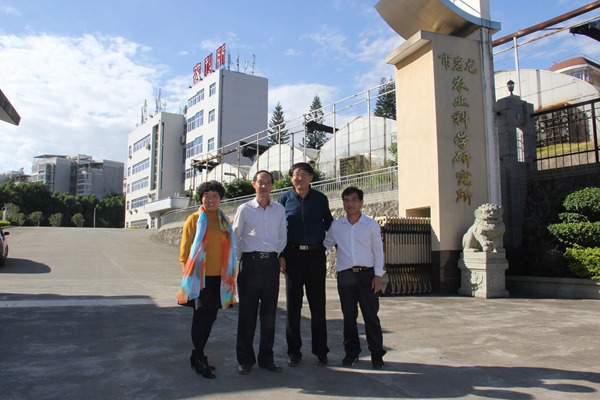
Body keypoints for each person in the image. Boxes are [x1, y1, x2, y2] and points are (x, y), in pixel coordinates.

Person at [177, 181, 237, 379]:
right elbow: (185, 251)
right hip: (199, 279)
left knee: (211, 317)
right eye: (207, 196)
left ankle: (196, 355)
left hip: (220, 279)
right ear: (201, 198)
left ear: (220, 199)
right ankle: (201, 358)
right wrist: (189, 277)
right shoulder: (194, 219)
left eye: (215, 196)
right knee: (200, 317)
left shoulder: (224, 220)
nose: (211, 200)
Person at [323, 186, 386, 369]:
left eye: (354, 200)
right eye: (347, 200)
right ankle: (351, 353)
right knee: (349, 317)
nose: (350, 204)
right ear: (343, 203)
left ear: (361, 203)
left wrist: (378, 276)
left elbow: (378, 252)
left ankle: (377, 354)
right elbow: (325, 244)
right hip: (346, 277)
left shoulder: (371, 225)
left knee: (371, 316)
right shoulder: (336, 226)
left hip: (367, 276)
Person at [278, 162, 333, 367]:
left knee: (318, 305)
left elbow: (330, 224)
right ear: (291, 178)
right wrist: (280, 254)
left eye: (303, 174)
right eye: (295, 174)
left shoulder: (320, 199)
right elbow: (278, 229)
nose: (299, 178)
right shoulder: (284, 199)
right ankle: (294, 351)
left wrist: (326, 245)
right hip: (292, 256)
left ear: (311, 177)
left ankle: (321, 351)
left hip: (315, 256)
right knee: (293, 306)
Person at [233, 170, 287, 375]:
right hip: (250, 264)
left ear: (272, 186)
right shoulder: (245, 209)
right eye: (260, 182)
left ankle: (267, 358)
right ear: (253, 184)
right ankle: (245, 359)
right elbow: (236, 237)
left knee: (269, 314)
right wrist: (244, 260)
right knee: (247, 314)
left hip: (271, 265)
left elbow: (282, 236)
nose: (264, 186)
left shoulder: (279, 210)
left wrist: (276, 255)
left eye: (268, 183)